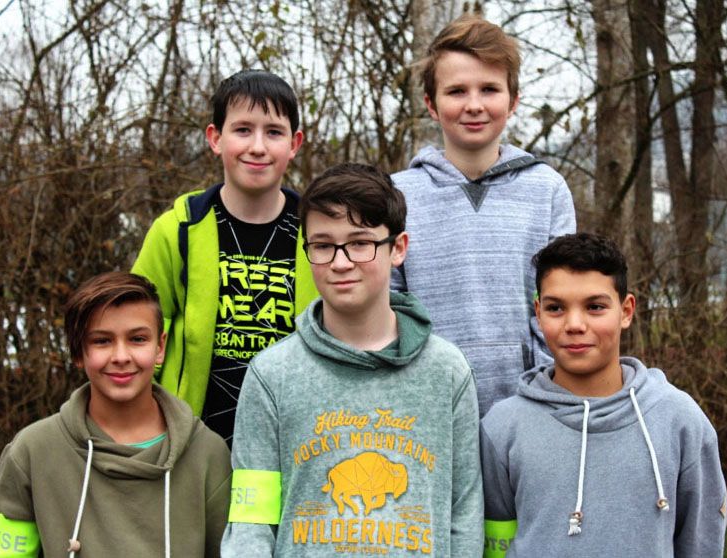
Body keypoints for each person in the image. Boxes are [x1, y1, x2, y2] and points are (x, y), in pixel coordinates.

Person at [220, 163, 484, 557]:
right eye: (323, 245)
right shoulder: (271, 374)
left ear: (398, 248)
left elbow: (464, 513)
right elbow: (250, 522)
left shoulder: (447, 372)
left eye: (360, 243)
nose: (340, 262)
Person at [480, 233, 727, 557]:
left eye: (595, 307)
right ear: (538, 313)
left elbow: (702, 543)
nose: (574, 324)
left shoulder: (680, 421)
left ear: (626, 311)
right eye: (556, 308)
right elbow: (494, 543)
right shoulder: (502, 427)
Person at [392, 14, 577, 416]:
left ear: (513, 100)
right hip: (427, 408)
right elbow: (389, 305)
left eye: (489, 89)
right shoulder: (398, 195)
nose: (474, 105)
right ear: (431, 104)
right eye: (457, 91)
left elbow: (563, 301)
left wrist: (546, 392)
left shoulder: (547, 190)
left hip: (532, 408)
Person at [0, 272, 231, 558]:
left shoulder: (207, 453)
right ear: (78, 352)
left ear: (160, 347)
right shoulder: (31, 451)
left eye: (137, 339)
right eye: (102, 341)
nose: (121, 356)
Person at [132, 69, 318, 445]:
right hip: (192, 449)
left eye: (274, 132)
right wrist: (144, 432)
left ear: (294, 143)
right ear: (216, 138)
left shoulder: (320, 238)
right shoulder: (176, 232)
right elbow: (134, 337)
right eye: (243, 130)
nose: (258, 147)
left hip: (295, 446)